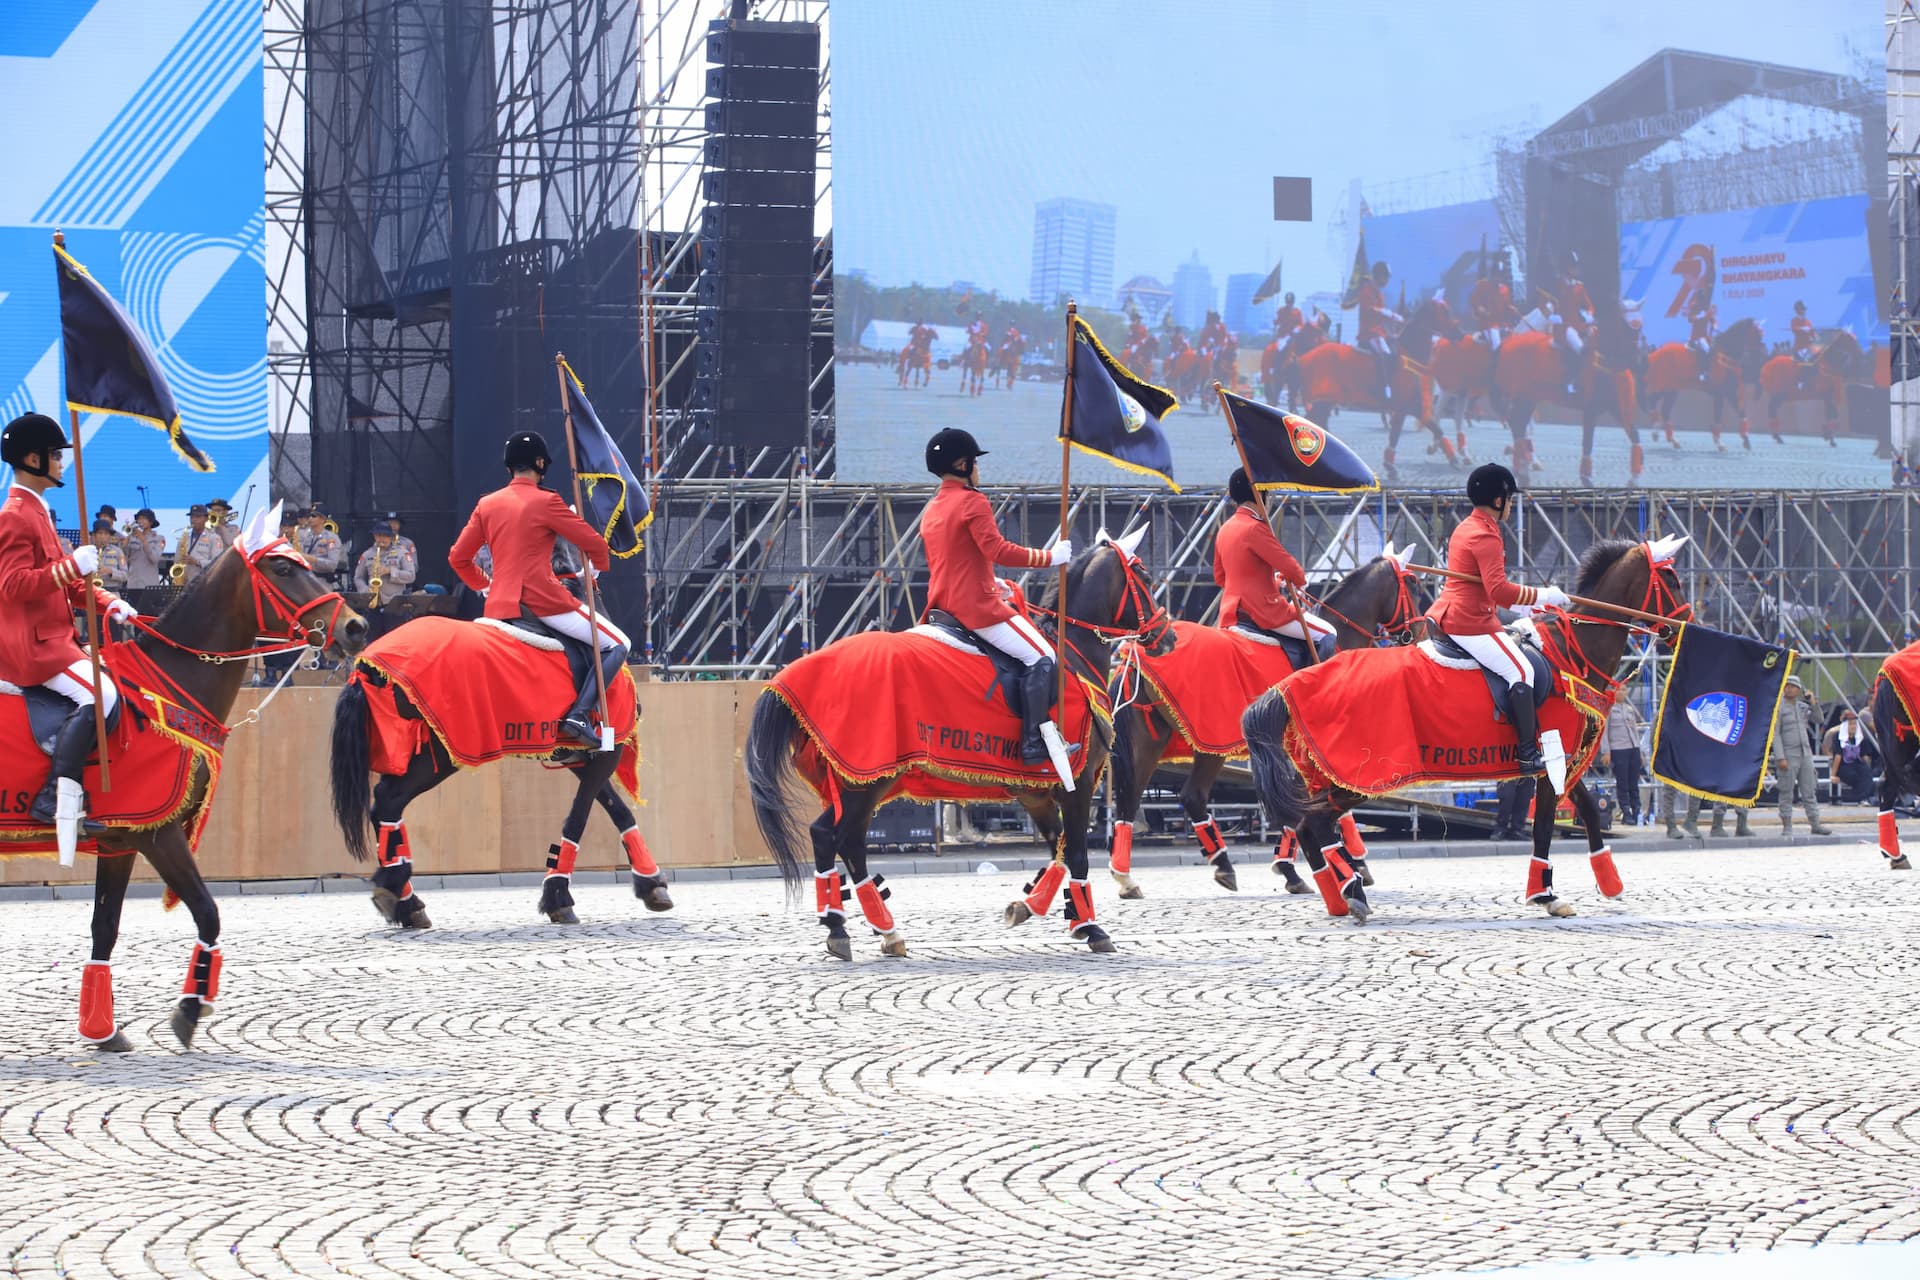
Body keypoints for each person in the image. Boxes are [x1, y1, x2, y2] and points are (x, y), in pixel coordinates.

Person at [0, 413, 139, 849]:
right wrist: (70, 566)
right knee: (103, 696)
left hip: (57, 639)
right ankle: (53, 794)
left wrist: (109, 602)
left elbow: (69, 586)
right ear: (32, 459)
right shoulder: (15, 515)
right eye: (56, 456)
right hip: (33, 648)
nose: (62, 463)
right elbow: (12, 585)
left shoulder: (38, 510)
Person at [448, 431, 624, 751]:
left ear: (509, 467)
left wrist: (485, 585)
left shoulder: (487, 504)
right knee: (619, 644)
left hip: (498, 607)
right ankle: (579, 716)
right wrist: (594, 569)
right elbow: (595, 545)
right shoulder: (547, 501)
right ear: (540, 464)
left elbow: (458, 558)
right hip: (543, 601)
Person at [918, 428, 1072, 765]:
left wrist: (990, 581)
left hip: (941, 606)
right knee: (1043, 656)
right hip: (975, 610)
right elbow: (997, 549)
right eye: (974, 462)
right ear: (962, 465)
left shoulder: (933, 507)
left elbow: (954, 559)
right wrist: (1051, 557)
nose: (977, 469)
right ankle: (1033, 742)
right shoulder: (972, 501)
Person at [1424, 463, 1571, 774]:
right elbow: (1499, 590)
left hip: (1459, 612)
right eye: (1510, 499)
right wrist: (1544, 595)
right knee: (1522, 670)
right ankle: (1527, 755)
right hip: (1469, 622)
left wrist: (1528, 609)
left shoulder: (1468, 526)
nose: (1511, 505)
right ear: (1498, 500)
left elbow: (1485, 589)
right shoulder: (1485, 536)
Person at [1213, 468, 1333, 663]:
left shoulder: (1225, 528)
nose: (1268, 501)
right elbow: (1290, 568)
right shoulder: (1255, 527)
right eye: (1267, 495)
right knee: (1328, 633)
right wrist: (1300, 581)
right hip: (1263, 610)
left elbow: (1221, 578)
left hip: (1231, 611)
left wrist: (1273, 581)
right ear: (1259, 495)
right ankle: (1316, 680)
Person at [1772, 674, 1832, 835]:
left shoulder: (1802, 707)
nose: (1789, 689)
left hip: (1805, 753)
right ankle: (1787, 825)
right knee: (1786, 791)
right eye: (1787, 686)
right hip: (1788, 753)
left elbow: (1819, 719)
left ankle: (1815, 824)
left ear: (1798, 689)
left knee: (1809, 790)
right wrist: (1780, 756)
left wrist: (1813, 702)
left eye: (1793, 686)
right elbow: (1775, 734)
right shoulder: (1779, 707)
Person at [1357, 261, 1401, 402]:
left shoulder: (1380, 295)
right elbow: (1368, 310)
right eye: (1386, 276)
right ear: (1379, 275)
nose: (1387, 280)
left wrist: (1393, 320)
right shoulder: (1366, 292)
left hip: (1380, 332)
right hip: (1369, 333)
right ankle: (1383, 388)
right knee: (1384, 354)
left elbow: (1382, 317)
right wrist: (1386, 312)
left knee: (1395, 351)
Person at [1553, 255, 1593, 394]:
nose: (1576, 269)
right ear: (1567, 268)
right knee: (1580, 348)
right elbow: (1551, 304)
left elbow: (1588, 305)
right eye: (1574, 266)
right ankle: (1570, 382)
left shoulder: (1579, 286)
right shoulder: (1559, 285)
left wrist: (1589, 315)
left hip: (1579, 324)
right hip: (1564, 326)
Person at [1823, 708, 1877, 805]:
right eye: (1850, 724)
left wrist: (1867, 769)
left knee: (1866, 772)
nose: (1853, 726)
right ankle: (1857, 798)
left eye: (1854, 724)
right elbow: (1838, 756)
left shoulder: (1860, 738)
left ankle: (1865, 798)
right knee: (1853, 776)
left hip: (1856, 764)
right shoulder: (1838, 736)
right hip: (1843, 765)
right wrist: (1833, 775)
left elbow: (1864, 756)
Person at [1605, 697, 1644, 825]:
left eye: (1624, 690)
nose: (1622, 692)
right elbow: (1604, 731)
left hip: (1633, 748)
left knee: (1634, 782)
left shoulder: (1629, 709)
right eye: (1619, 690)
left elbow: (1635, 731)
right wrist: (1606, 751)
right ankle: (1626, 812)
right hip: (1618, 749)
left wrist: (1640, 751)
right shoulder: (1609, 709)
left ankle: (1637, 811)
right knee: (1622, 782)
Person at [355, 524, 416, 605]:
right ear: (374, 536)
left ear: (391, 537)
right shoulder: (366, 554)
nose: (382, 539)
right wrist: (365, 590)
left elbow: (411, 576)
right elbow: (358, 578)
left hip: (395, 601)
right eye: (379, 535)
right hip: (372, 601)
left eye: (385, 536)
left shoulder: (402, 553)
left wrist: (390, 571)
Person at [175, 504, 220, 585]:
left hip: (204, 583)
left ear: (206, 519)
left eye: (198, 517)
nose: (194, 520)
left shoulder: (214, 538)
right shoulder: (184, 538)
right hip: (185, 583)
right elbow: (176, 561)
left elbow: (217, 563)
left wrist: (197, 562)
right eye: (192, 517)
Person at [297, 505, 344, 584]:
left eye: (314, 516)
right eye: (309, 516)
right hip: (305, 580)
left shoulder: (331, 538)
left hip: (322, 581)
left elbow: (332, 565)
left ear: (322, 519)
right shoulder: (305, 536)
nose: (310, 518)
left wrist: (314, 559)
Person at [123, 509, 164, 589]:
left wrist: (143, 540)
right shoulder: (132, 537)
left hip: (149, 584)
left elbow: (154, 558)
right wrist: (126, 540)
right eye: (139, 519)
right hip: (133, 583)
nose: (140, 521)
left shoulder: (159, 539)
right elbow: (124, 558)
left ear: (151, 522)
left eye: (144, 518)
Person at [1688, 302, 1717, 383]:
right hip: (1697, 337)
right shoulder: (1697, 313)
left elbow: (1714, 321)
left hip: (1706, 338)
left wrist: (1715, 326)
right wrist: (1698, 316)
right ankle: (1702, 373)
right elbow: (1691, 319)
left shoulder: (1708, 314)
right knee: (1706, 350)